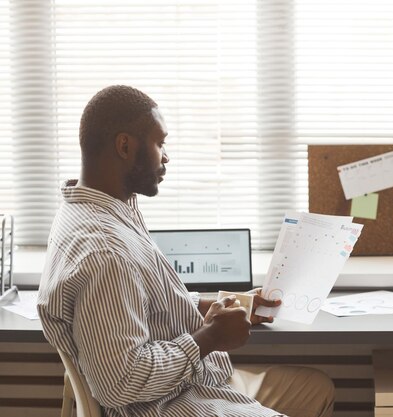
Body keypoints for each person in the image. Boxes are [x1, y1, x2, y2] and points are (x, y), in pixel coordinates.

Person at [37, 85, 334, 417]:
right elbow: (118, 383)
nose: (166, 156)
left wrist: (230, 304)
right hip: (165, 405)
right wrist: (209, 337)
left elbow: (143, 303)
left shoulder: (99, 206)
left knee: (317, 389)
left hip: (190, 383)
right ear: (124, 146)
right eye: (160, 143)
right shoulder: (107, 253)